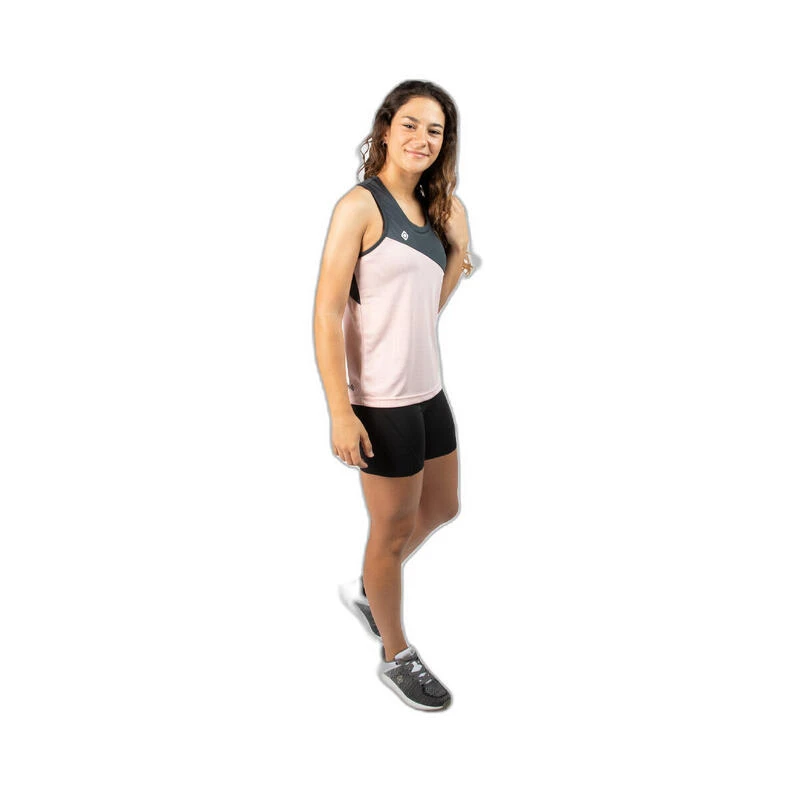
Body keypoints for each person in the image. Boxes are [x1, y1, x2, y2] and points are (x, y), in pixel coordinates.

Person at [313, 80, 473, 711]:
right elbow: (326, 313)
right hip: (381, 401)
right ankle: (395, 652)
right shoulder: (360, 206)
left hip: (429, 390)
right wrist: (340, 410)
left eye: (435, 131)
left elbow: (427, 308)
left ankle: (370, 588)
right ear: (385, 129)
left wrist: (459, 250)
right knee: (393, 527)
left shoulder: (439, 211)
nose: (421, 139)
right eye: (410, 124)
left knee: (443, 507)